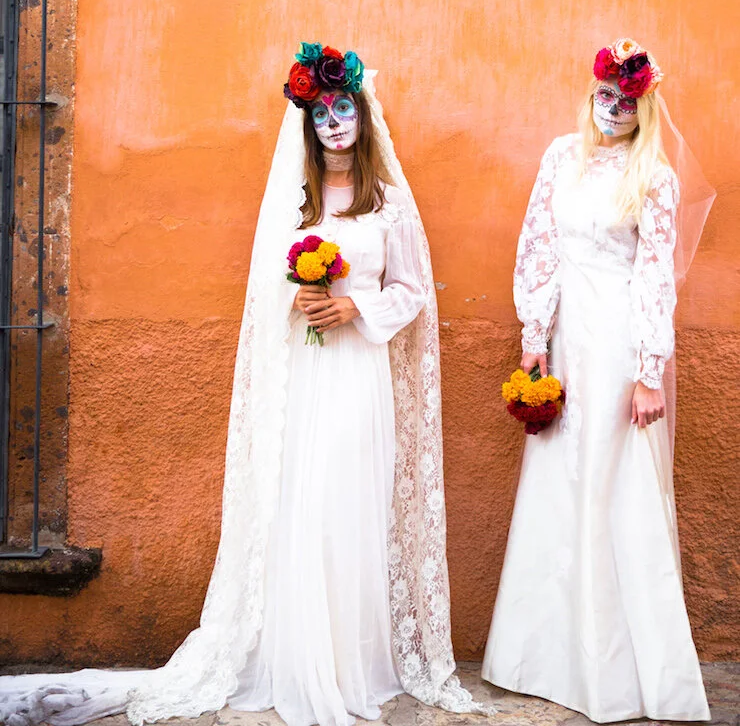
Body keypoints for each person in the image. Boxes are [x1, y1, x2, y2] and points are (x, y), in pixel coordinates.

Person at [0, 45, 475, 726]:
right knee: (300, 500)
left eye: (345, 109)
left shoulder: (389, 203)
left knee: (348, 498)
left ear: (363, 117)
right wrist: (301, 298)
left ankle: (348, 663)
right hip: (306, 373)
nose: (335, 122)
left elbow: (412, 291)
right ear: (309, 127)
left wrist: (353, 307)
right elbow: (264, 293)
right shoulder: (296, 200)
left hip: (359, 373)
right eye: (322, 113)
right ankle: (293, 656)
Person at [482, 38, 715, 723]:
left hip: (616, 341)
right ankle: (546, 657)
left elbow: (653, 278)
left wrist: (648, 374)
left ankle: (617, 671)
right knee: (560, 478)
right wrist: (534, 339)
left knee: (614, 484)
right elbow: (537, 245)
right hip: (565, 336)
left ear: (646, 107)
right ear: (591, 97)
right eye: (605, 98)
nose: (613, 111)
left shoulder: (656, 178)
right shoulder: (561, 156)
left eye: (628, 101)